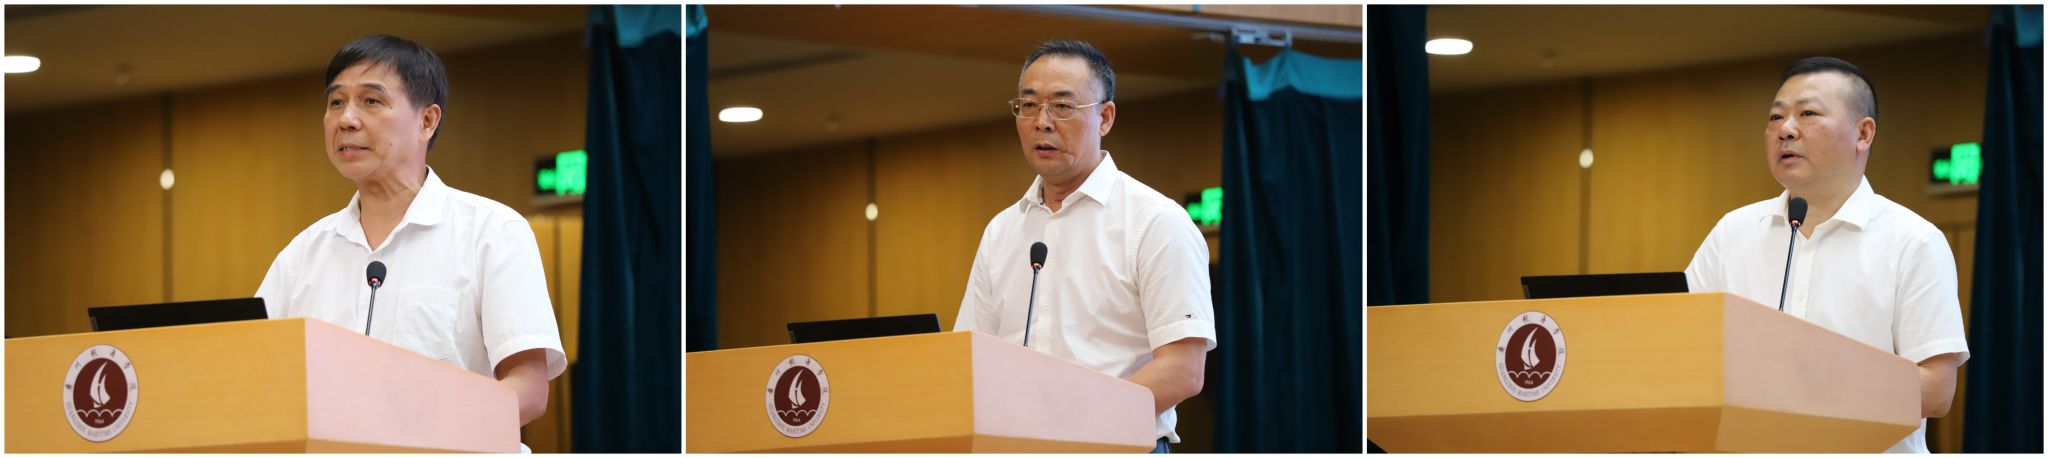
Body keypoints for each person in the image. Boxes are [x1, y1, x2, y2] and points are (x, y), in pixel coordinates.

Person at [255, 34, 565, 429]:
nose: (347, 119)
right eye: (336, 102)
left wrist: (427, 427)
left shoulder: (492, 232)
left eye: (371, 101)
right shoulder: (302, 256)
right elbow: (253, 372)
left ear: (427, 121)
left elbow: (530, 389)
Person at [1685, 56, 1968, 453]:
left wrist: (1814, 376)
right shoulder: (1733, 232)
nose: (1786, 129)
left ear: (1863, 133)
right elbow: (1683, 352)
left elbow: (1936, 392)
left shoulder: (1913, 241)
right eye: (1775, 117)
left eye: (1808, 114)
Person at [952, 40, 1217, 454]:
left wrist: (1072, 421)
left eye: (1062, 106)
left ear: (1104, 117)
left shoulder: (1155, 221)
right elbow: (969, 359)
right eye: (1028, 105)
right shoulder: (1002, 230)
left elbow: (1183, 370)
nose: (1042, 122)